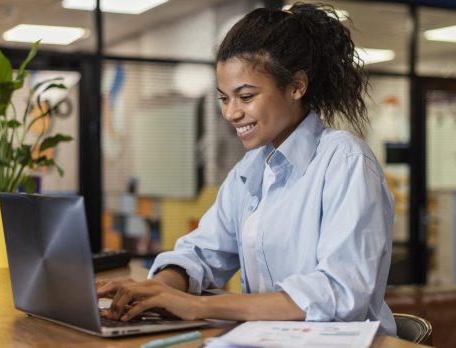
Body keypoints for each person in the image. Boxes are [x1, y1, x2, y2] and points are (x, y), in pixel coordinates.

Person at [97, 2, 396, 335]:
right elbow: (203, 252)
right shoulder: (250, 169)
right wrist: (161, 289)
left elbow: (339, 294)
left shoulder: (346, 162)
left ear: (297, 86)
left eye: (246, 96)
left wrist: (198, 306)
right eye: (224, 98)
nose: (231, 113)